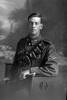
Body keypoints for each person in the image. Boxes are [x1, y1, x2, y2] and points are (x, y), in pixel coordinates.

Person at [10, 12, 59, 79]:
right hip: (17, 83)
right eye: (31, 23)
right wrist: (10, 77)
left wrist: (31, 71)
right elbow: (15, 64)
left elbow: (53, 69)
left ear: (41, 26)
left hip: (34, 85)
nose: (33, 26)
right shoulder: (21, 43)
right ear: (28, 25)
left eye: (36, 23)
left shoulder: (47, 46)